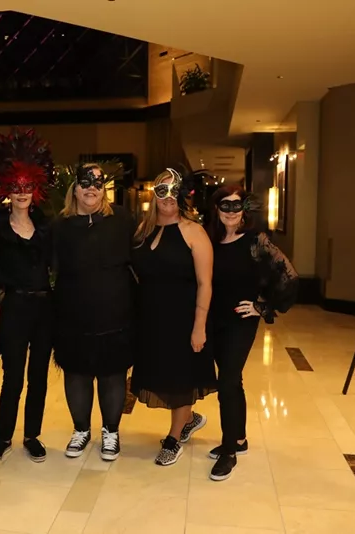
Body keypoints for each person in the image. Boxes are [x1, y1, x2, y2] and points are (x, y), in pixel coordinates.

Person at [205, 184, 298, 481]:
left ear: (243, 209)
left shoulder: (255, 241)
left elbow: (290, 277)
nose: (230, 212)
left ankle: (229, 450)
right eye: (224, 206)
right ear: (216, 209)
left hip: (240, 321)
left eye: (236, 206)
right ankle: (240, 439)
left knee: (228, 381)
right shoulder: (211, 240)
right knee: (233, 380)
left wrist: (263, 307)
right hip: (213, 320)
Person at [130, 168, 216, 466]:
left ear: (182, 195)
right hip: (151, 318)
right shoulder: (144, 229)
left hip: (182, 317)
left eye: (173, 190)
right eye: (161, 190)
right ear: (153, 194)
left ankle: (173, 437)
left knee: (181, 378)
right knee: (161, 375)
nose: (167, 197)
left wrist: (200, 327)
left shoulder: (194, 231)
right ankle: (189, 419)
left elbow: (205, 283)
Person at [52, 164, 135, 462]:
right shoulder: (60, 225)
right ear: (75, 188)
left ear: (105, 189)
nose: (92, 188)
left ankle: (110, 432)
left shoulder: (123, 219)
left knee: (112, 373)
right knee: (76, 373)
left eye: (98, 184)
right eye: (85, 183)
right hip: (72, 310)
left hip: (115, 309)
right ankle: (81, 430)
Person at [0, 128, 55, 465]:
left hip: (45, 309)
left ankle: (32, 435)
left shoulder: (47, 228)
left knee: (38, 376)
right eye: (17, 187)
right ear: (7, 190)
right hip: (13, 308)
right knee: (12, 377)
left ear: (36, 190)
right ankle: (3, 436)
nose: (23, 193)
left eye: (28, 187)